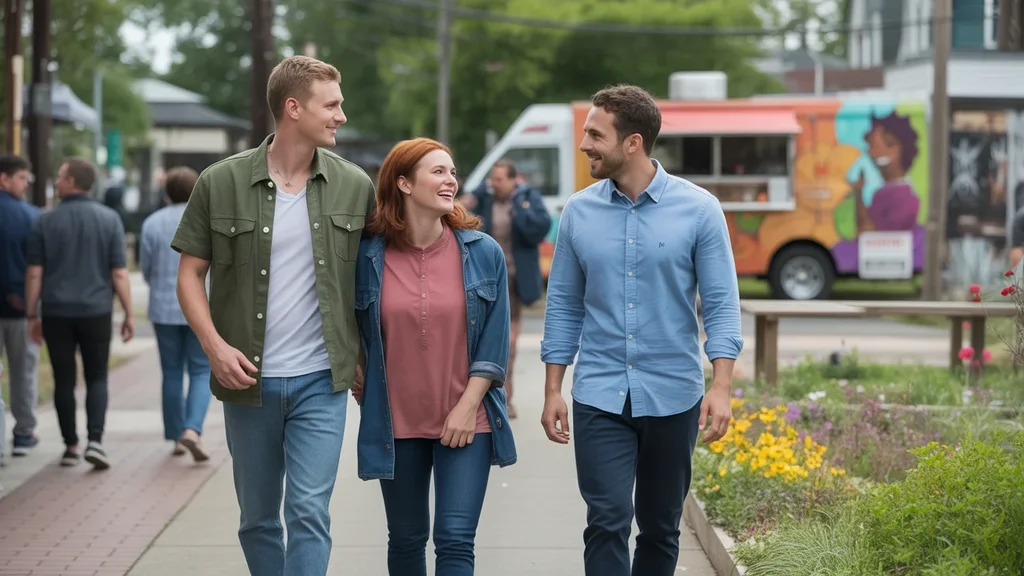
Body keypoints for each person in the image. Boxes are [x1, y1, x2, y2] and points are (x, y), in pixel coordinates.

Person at [171, 55, 375, 576]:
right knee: (258, 519)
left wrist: (364, 354)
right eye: (331, 105)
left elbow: (373, 283)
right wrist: (214, 348)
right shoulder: (219, 183)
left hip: (319, 381)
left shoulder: (356, 186)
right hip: (248, 381)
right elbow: (189, 276)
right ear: (293, 108)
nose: (341, 116)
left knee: (308, 511)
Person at [540, 84, 743, 576]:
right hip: (599, 394)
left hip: (673, 392)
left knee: (659, 525)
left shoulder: (699, 210)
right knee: (607, 518)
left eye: (595, 134)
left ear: (633, 142)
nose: (585, 143)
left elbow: (720, 304)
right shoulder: (578, 213)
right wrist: (553, 389)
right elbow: (564, 306)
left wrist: (721, 386)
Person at [352, 137, 516, 575]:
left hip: (466, 420)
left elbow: (495, 344)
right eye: (438, 172)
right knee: (405, 541)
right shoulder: (368, 255)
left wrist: (466, 407)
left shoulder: (483, 253)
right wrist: (355, 366)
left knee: (456, 540)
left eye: (452, 172)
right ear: (403, 183)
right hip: (395, 423)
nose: (451, 181)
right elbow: (348, 322)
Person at [25, 157, 134, 470]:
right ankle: (96, 441)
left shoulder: (45, 221)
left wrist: (33, 313)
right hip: (97, 310)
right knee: (97, 375)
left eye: (60, 177)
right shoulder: (110, 219)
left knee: (63, 379)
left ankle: (71, 445)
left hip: (57, 311)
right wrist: (127, 313)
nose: (56, 182)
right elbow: (119, 273)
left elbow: (34, 273)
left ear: (73, 182)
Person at [461, 159, 551, 419]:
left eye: (500, 179)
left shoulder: (527, 198)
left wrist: (518, 209)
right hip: (485, 278)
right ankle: (484, 397)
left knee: (509, 343)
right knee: (481, 339)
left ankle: (506, 398)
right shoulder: (484, 198)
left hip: (515, 279)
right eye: (493, 178)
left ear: (514, 179)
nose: (495, 183)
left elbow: (538, 230)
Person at [140, 166, 212, 461]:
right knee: (200, 370)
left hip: (163, 306)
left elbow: (145, 266)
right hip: (201, 307)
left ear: (167, 191)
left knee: (171, 372)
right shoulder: (205, 218)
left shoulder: (152, 222)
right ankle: (193, 429)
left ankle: (175, 436)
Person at [0, 155, 41, 457]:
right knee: (23, 371)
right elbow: (37, 266)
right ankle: (23, 434)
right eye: (23, 179)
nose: (26, 185)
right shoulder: (31, 216)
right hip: (20, 307)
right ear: (5, 179)